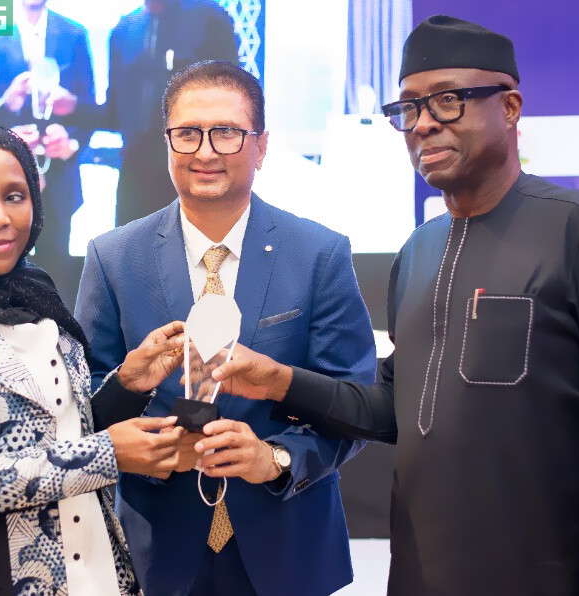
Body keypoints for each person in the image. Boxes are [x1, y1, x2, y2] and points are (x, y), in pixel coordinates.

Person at [209, 16, 579, 596]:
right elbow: (394, 406)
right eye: (408, 107)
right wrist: (278, 380)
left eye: (448, 101)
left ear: (509, 107)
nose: (423, 123)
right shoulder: (418, 252)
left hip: (558, 577)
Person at [74, 61, 377, 596]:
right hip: (154, 548)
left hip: (286, 543)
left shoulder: (317, 254)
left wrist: (277, 458)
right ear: (168, 143)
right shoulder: (114, 257)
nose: (206, 151)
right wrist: (129, 394)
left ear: (260, 147)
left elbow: (353, 402)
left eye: (228, 133)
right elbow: (80, 409)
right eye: (187, 133)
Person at [0, 123, 188, 595]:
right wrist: (107, 454)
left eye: (15, 195)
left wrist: (128, 385)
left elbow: (62, 434)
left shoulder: (39, 298)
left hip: (98, 573)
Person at [0, 0, 95, 275]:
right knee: (1, 266)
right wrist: (7, 119)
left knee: (55, 272)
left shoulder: (74, 34)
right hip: (4, 174)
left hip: (59, 174)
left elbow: (92, 109)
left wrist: (72, 141)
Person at [106, 0, 238, 226]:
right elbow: (113, 112)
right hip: (136, 174)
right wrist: (72, 110)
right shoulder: (123, 30)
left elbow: (230, 96)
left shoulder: (210, 18)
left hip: (195, 167)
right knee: (130, 254)